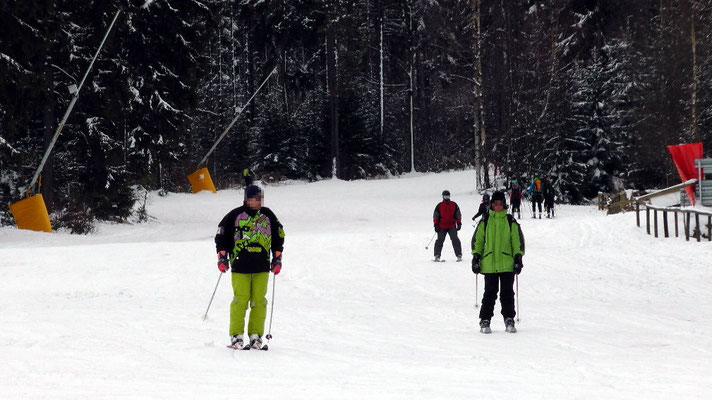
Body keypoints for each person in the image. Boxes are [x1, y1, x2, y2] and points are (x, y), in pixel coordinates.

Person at [215, 184, 285, 349]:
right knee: (240, 300)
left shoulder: (268, 215)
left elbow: (279, 236)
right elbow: (221, 236)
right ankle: (236, 335)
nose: (259, 201)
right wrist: (222, 257)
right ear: (247, 199)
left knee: (259, 301)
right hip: (240, 265)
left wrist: (277, 258)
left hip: (261, 265)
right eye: (256, 198)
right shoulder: (235, 215)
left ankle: (256, 335)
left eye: (261, 198)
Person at [471, 191, 524, 334]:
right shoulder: (485, 221)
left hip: (507, 263)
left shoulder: (510, 221)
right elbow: (478, 241)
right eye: (495, 203)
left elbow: (517, 241)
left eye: (500, 203)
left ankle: (509, 318)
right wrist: (476, 256)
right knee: (490, 293)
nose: (498, 206)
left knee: (507, 293)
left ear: (504, 204)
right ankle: (485, 319)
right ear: (491, 204)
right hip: (489, 264)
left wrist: (518, 257)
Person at [433, 190, 463, 262]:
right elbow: (435, 215)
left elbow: (458, 214)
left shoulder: (454, 204)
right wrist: (436, 224)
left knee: (455, 240)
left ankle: (459, 255)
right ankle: (437, 256)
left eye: (448, 196)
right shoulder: (439, 205)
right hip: (442, 226)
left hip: (451, 226)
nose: (446, 197)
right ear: (443, 197)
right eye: (445, 196)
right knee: (439, 241)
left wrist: (459, 223)